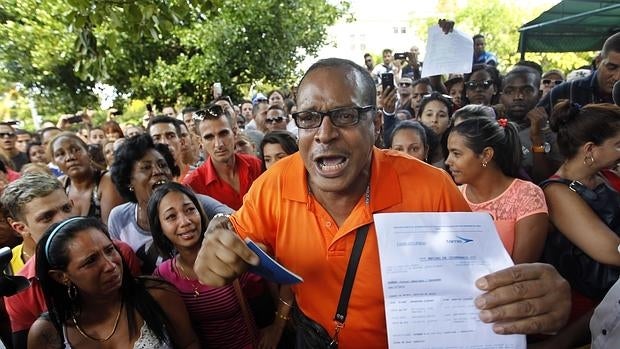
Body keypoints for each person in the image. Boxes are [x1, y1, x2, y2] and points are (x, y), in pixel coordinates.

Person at [193, 58, 572, 348]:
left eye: (344, 115)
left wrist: (538, 297)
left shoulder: (431, 188)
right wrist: (212, 257)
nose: (325, 134)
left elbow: (488, 293)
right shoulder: (273, 184)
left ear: (375, 125)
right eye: (309, 118)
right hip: (313, 337)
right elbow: (219, 261)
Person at [0, 173, 140, 349]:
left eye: (66, 208)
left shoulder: (119, 255)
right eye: (47, 217)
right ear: (21, 228)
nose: (63, 220)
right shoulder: (20, 292)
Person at [28, 216, 200, 348]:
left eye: (110, 250)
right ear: (61, 277)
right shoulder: (47, 333)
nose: (110, 265)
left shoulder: (158, 295)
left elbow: (189, 344)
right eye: (90, 261)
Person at [149, 182, 259, 349]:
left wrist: (277, 325)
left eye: (189, 210)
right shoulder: (163, 276)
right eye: (171, 216)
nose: (185, 221)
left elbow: (266, 287)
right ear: (160, 227)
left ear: (200, 212)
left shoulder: (226, 255)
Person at [108, 134, 232, 274]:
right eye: (146, 167)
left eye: (162, 165)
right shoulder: (119, 218)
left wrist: (220, 219)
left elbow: (235, 219)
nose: (157, 171)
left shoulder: (194, 203)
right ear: (128, 180)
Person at [541, 102, 620, 315]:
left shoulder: (607, 176)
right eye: (618, 145)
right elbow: (612, 251)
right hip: (588, 307)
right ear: (590, 149)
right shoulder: (556, 193)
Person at [445, 117, 548, 263]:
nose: (448, 161)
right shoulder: (453, 195)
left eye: (456, 154)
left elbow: (522, 269)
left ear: (486, 155)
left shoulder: (527, 195)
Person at [183, 105, 262, 210]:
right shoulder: (193, 185)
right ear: (200, 142)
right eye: (209, 137)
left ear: (234, 133)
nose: (218, 144)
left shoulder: (257, 166)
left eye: (223, 133)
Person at [49, 132, 124, 223]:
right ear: (54, 163)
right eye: (60, 154)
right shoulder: (60, 186)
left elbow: (111, 231)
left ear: (88, 153)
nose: (69, 157)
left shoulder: (108, 181)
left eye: (75, 150)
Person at [538, 32, 620, 113]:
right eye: (611, 68)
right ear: (598, 61)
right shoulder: (564, 92)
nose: (617, 77)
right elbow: (531, 121)